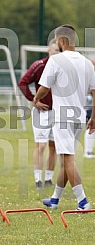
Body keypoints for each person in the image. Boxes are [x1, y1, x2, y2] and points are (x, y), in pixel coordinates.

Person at [33, 24, 95, 210]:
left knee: (68, 159)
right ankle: (55, 199)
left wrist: (35, 99)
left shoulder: (55, 60)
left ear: (61, 41)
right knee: (65, 159)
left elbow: (44, 88)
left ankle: (83, 201)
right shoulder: (87, 63)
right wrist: (93, 118)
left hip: (62, 118)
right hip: (80, 118)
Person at [18, 39, 59, 189]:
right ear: (49, 50)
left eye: (59, 51)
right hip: (42, 112)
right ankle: (38, 179)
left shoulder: (64, 67)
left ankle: (48, 179)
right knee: (41, 146)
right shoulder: (40, 65)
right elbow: (22, 83)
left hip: (58, 113)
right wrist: (33, 100)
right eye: (55, 50)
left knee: (54, 147)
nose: (57, 53)